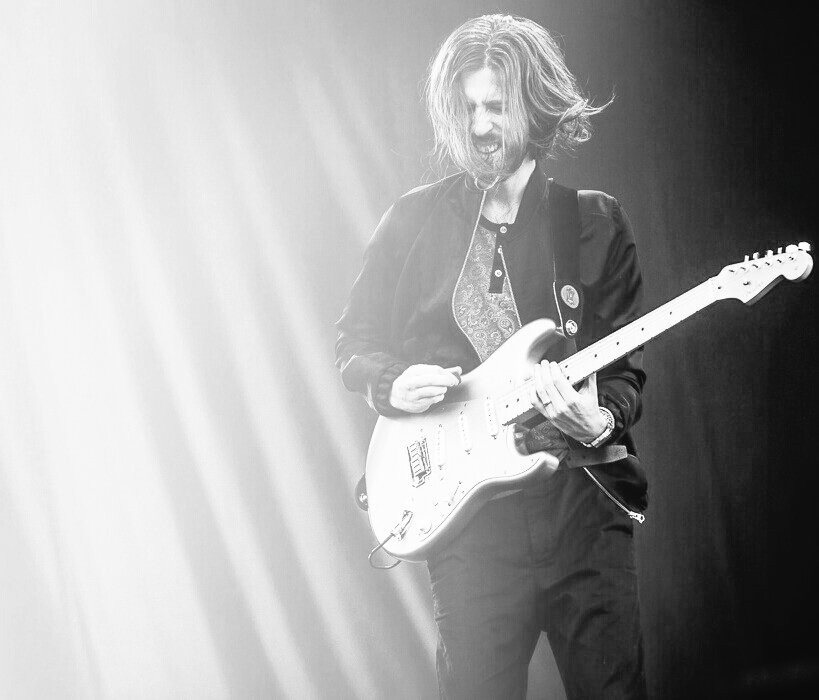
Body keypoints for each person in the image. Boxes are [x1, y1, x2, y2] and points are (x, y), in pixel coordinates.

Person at [336, 14, 647, 699]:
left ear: (534, 108)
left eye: (496, 107)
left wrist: (598, 421)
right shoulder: (411, 223)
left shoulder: (591, 222)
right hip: (469, 530)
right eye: (468, 108)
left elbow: (624, 371)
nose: (479, 126)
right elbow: (352, 341)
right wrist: (391, 383)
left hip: (579, 508)